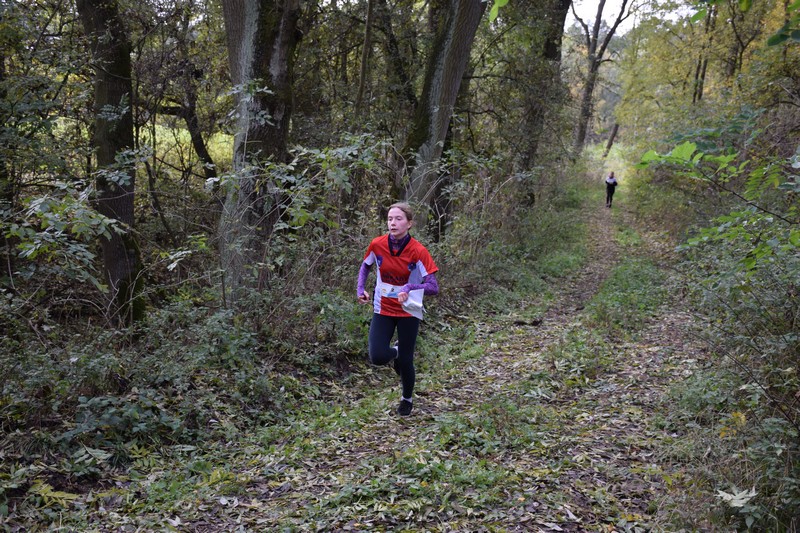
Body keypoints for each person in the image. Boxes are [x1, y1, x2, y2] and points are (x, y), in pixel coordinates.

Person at [356, 202, 439, 417]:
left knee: (406, 361)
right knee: (378, 356)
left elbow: (433, 287)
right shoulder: (377, 244)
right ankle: (396, 350)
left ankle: (407, 399)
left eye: (398, 219)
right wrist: (360, 289)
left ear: (409, 223)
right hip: (382, 307)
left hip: (408, 310)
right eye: (390, 219)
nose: (393, 223)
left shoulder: (418, 251)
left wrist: (410, 286)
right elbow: (366, 265)